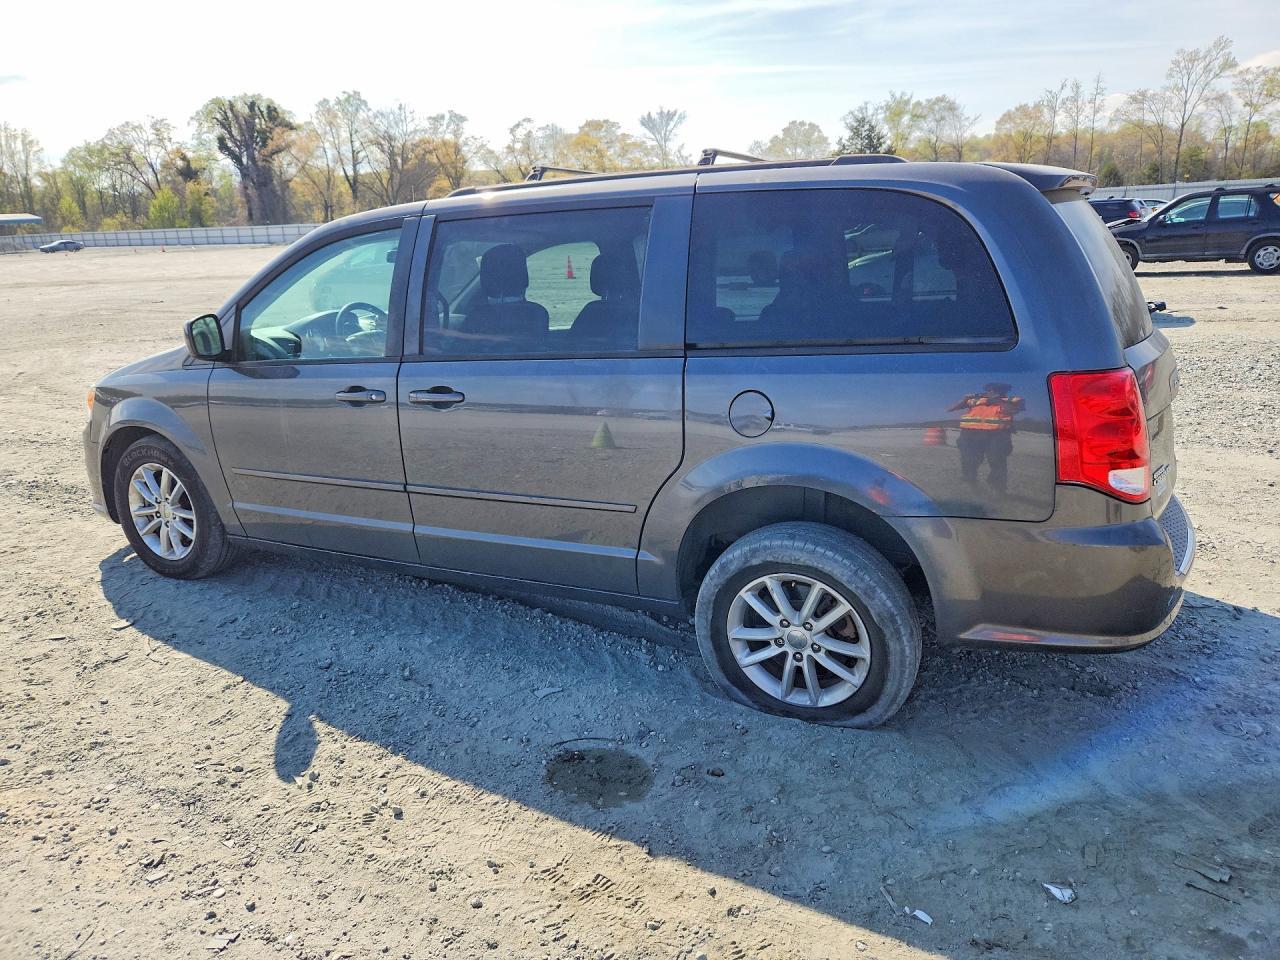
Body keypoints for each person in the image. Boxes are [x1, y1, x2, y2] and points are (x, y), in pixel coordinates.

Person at [949, 383, 1024, 491]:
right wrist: (964, 399)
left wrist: (997, 400)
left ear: (1004, 390)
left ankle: (998, 488)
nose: (991, 391)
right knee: (969, 459)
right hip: (970, 434)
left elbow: (1015, 410)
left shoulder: (1013, 400)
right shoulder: (975, 400)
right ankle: (970, 484)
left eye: (995, 389)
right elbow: (951, 409)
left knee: (997, 460)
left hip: (997, 435)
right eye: (989, 389)